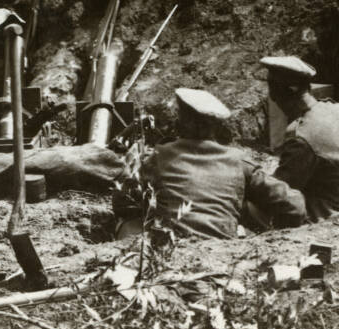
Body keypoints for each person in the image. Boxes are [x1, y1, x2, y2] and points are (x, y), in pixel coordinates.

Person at [114, 87, 306, 239]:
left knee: (129, 225)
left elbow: (124, 201)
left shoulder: (161, 155)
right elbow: (294, 206)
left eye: (180, 115)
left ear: (184, 121)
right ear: (215, 126)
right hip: (221, 251)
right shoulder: (238, 160)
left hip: (172, 247)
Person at [261, 56, 339, 221]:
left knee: (257, 207)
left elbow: (282, 189)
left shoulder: (302, 135)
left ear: (277, 92)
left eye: (271, 87)